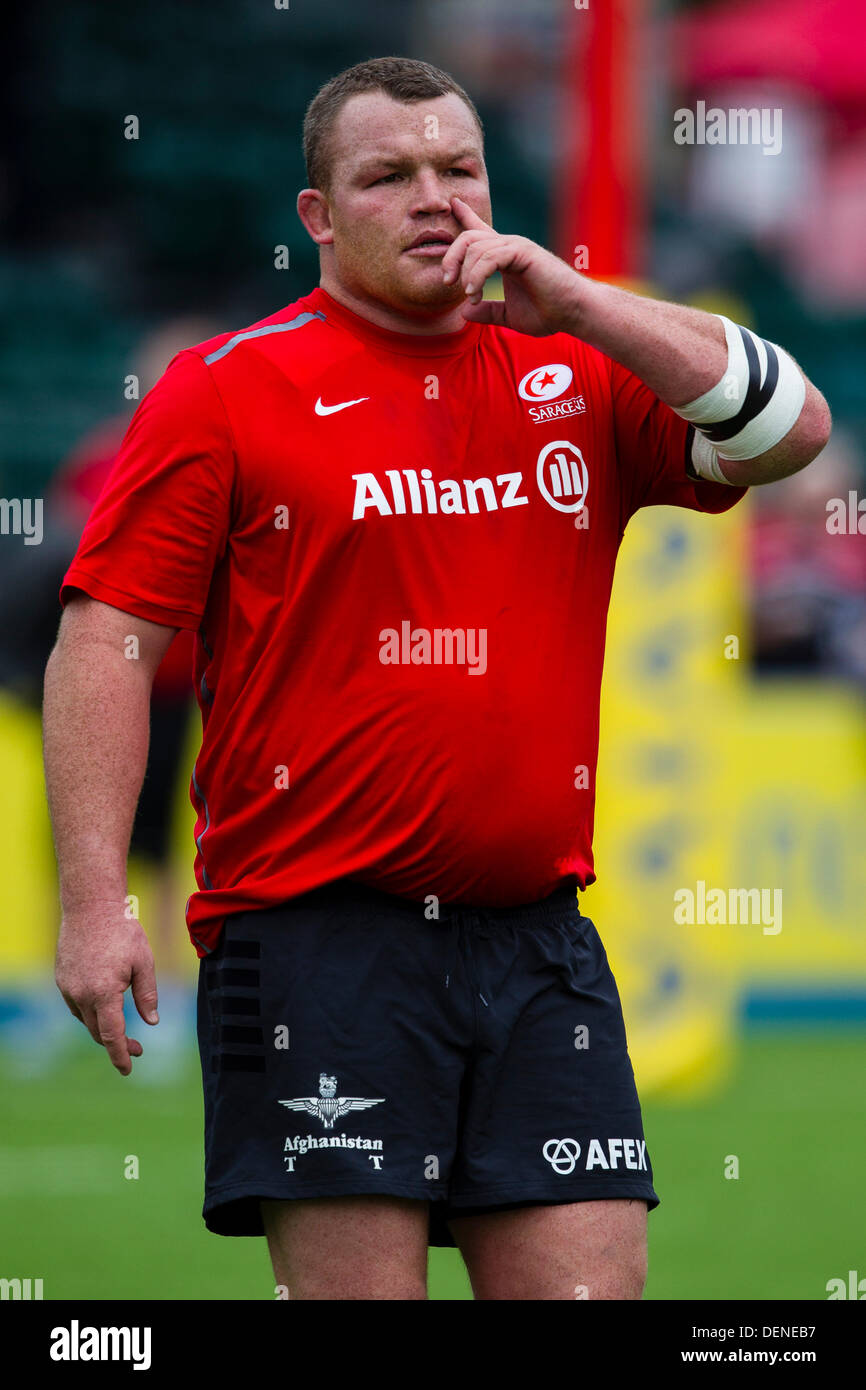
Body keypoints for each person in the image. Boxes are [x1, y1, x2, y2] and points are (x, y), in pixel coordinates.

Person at [43, 57, 831, 1301]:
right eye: (387, 176)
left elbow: (790, 430)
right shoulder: (225, 390)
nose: (432, 198)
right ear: (317, 215)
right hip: (315, 942)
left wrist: (585, 305)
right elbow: (106, 642)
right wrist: (95, 903)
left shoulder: (573, 369)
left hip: (538, 944)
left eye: (455, 169)